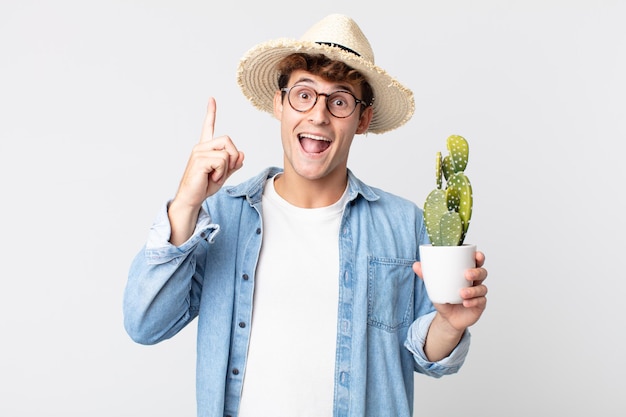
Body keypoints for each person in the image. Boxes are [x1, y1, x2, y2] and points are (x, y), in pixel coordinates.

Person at [123, 13, 488, 417]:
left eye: (340, 100)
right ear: (279, 104)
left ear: (362, 119)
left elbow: (426, 354)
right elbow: (146, 324)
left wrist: (451, 324)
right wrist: (186, 204)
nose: (318, 115)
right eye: (304, 94)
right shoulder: (220, 218)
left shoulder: (403, 224)